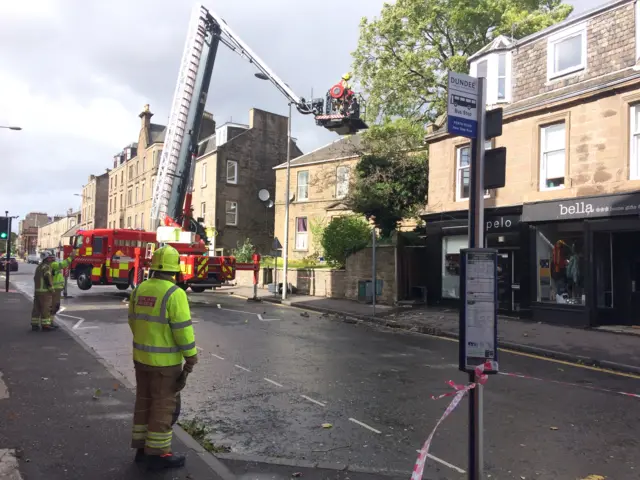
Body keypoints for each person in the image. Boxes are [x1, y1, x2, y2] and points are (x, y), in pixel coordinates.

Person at [128, 245, 198, 471]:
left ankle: (141, 449)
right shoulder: (174, 293)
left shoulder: (140, 289)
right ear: (175, 269)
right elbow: (182, 330)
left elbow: (132, 320)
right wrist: (191, 356)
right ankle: (157, 455)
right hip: (165, 365)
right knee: (162, 407)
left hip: (141, 359)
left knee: (144, 402)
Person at [31, 253, 56, 331]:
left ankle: (34, 325)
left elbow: (35, 278)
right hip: (45, 292)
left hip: (37, 291)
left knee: (36, 308)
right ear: (46, 259)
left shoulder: (39, 267)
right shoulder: (46, 267)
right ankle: (45, 325)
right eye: (50, 258)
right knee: (46, 308)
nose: (51, 259)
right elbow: (47, 278)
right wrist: (51, 289)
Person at [50, 250, 76, 321]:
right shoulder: (53, 264)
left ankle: (50, 322)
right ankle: (49, 322)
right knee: (54, 306)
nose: (54, 258)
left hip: (56, 289)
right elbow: (62, 264)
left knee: (54, 306)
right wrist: (70, 257)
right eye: (52, 257)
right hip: (55, 289)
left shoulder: (52, 264)